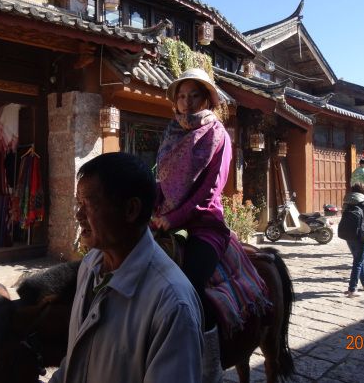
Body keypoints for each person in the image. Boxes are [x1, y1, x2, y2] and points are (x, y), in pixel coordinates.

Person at [49, 152, 203, 383]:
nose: (78, 215)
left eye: (88, 204)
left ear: (130, 210)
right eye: (78, 203)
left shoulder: (172, 304)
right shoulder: (90, 266)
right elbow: (75, 361)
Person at [152, 67, 231, 381]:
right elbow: (162, 180)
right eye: (182, 96)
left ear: (207, 99)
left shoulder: (218, 134)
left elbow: (210, 190)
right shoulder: (172, 132)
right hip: (163, 220)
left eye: (194, 95)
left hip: (204, 223)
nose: (186, 102)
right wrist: (152, 209)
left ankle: (210, 367)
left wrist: (172, 218)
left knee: (190, 285)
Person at [341, 183, 364, 297]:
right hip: (362, 235)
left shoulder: (346, 202)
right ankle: (352, 289)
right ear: (363, 192)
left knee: (361, 259)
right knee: (358, 261)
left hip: (348, 234)